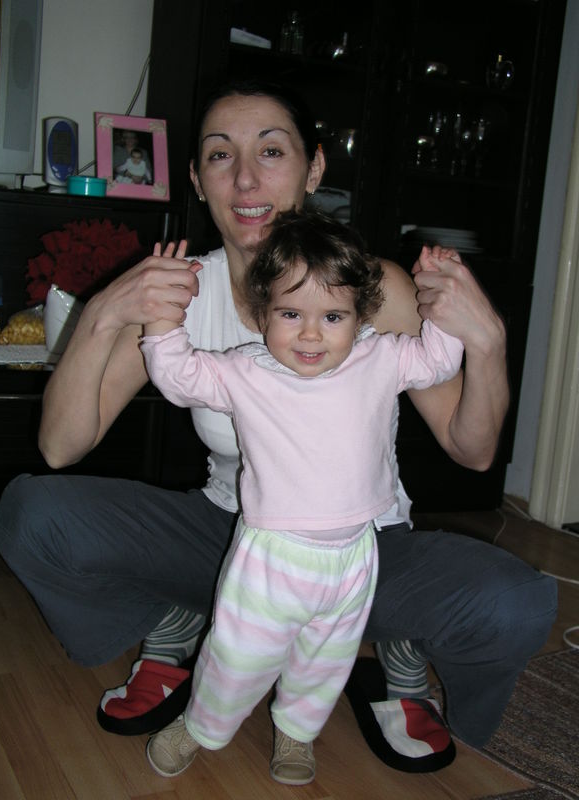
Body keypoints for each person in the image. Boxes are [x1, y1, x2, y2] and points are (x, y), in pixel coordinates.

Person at [0, 79, 556, 776]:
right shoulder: (180, 292)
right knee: (32, 514)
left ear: (314, 168)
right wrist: (107, 312)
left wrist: (488, 343)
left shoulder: (372, 288)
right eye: (220, 155)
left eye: (271, 151)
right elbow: (60, 446)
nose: (246, 179)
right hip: (231, 536)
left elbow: (472, 451)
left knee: (516, 602)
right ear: (197, 178)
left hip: (362, 549)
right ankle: (176, 620)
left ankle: (389, 646)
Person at [140, 208, 464, 783]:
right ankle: (200, 724)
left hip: (354, 553)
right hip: (272, 556)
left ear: (360, 316)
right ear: (262, 312)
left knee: (326, 660)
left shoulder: (381, 357)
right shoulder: (245, 371)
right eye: (291, 314)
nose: (311, 334)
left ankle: (297, 732)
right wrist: (164, 316)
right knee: (237, 656)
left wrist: (440, 301)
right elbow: (178, 377)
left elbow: (440, 359)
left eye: (333, 316)